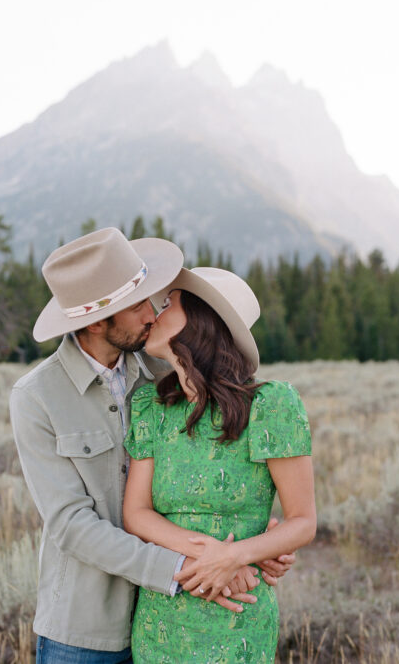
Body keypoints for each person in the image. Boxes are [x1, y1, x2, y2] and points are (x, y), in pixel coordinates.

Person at [10, 228, 294, 664]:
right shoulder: (36, 397)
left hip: (173, 620)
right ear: (97, 321)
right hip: (86, 633)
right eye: (137, 304)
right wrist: (193, 567)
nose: (151, 312)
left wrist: (254, 539)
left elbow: (212, 465)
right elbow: (70, 525)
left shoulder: (167, 368)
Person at [123, 267, 316, 663]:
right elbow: (136, 513)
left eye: (168, 305)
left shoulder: (272, 405)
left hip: (237, 621)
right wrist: (213, 555)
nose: (154, 315)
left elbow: (302, 521)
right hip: (162, 618)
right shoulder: (150, 407)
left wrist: (236, 557)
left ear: (200, 320)